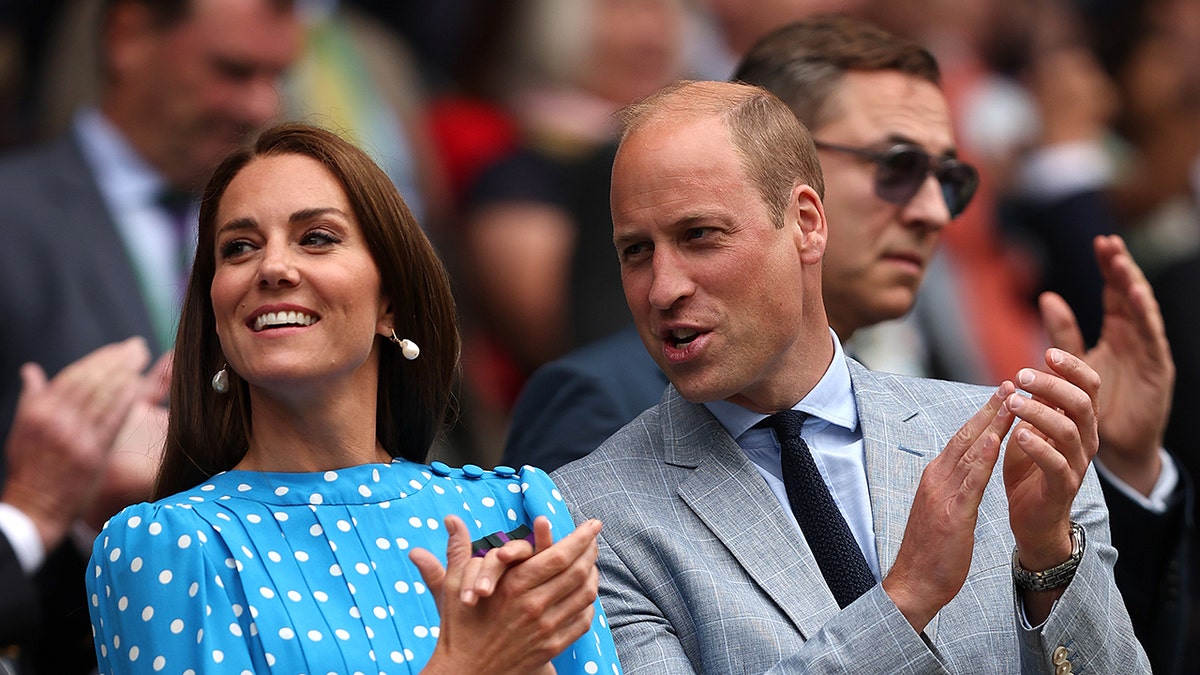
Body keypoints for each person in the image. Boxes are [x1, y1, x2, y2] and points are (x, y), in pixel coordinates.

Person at [505, 16, 1190, 671]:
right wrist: (905, 600)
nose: (662, 288)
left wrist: (1047, 555)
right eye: (635, 251)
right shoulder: (582, 511)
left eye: (699, 236)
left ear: (806, 221)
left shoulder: (1005, 439)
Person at [85, 123, 621, 675]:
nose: (272, 268)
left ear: (390, 299)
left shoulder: (515, 511)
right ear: (216, 312)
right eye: (239, 247)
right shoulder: (168, 545)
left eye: (316, 237)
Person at [0, 3, 301, 672]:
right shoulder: (11, 216)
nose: (262, 102)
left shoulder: (297, 241)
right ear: (129, 35)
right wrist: (70, 508)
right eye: (233, 70)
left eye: (278, 74)